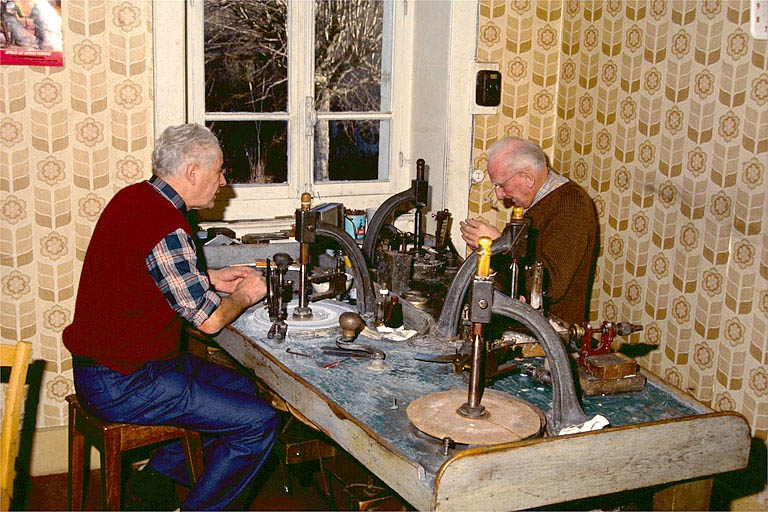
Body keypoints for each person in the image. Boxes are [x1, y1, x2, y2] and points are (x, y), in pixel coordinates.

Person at [63, 123, 279, 511]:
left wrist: (210, 278)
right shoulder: (165, 224)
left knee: (244, 391)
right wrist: (246, 295)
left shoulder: (135, 198)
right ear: (193, 172)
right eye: (218, 172)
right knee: (258, 422)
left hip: (117, 367)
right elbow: (210, 322)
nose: (223, 181)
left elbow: (146, 272)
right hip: (122, 382)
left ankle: (156, 478)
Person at [460, 137, 599, 325]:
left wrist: (500, 245)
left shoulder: (572, 206)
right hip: (527, 322)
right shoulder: (533, 204)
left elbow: (551, 288)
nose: (499, 195)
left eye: (502, 185)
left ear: (528, 177)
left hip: (553, 332)